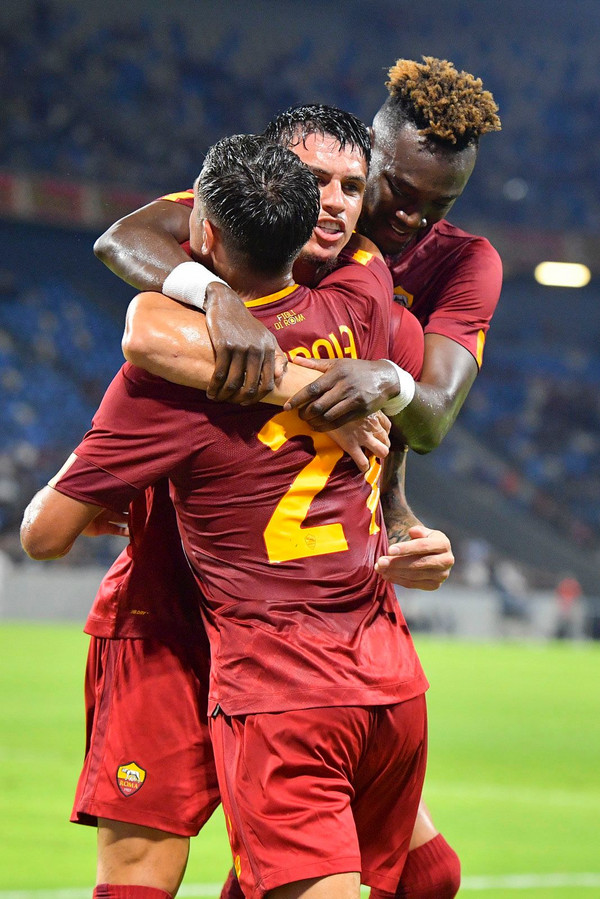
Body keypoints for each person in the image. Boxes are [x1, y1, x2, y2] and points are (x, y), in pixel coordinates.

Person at [95, 58, 502, 897]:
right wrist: (222, 303)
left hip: (313, 603)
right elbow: (124, 247)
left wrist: (398, 510)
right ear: (368, 152)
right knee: (147, 867)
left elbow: (424, 418)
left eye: (441, 203)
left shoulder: (457, 264)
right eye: (394, 188)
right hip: (185, 579)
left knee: (415, 872)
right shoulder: (277, 203)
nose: (411, 216)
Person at [22, 133, 431, 899]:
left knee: (396, 870)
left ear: (204, 230)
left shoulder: (170, 366)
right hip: (176, 622)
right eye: (317, 181)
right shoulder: (364, 297)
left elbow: (143, 331)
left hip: (276, 656)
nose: (335, 202)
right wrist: (312, 381)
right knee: (169, 870)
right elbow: (134, 278)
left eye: (351, 185)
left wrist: (401, 517)